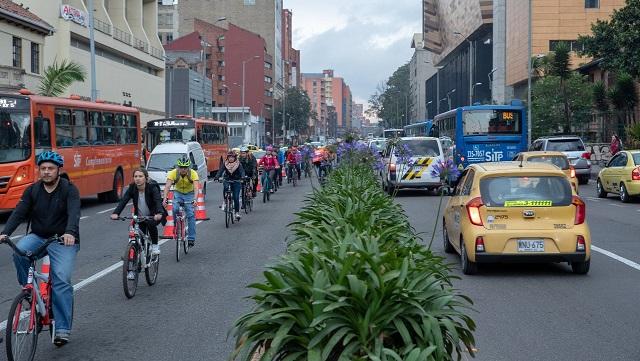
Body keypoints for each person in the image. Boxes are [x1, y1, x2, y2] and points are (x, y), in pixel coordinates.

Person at [0, 151, 80, 346]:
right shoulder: (32, 190)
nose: (46, 172)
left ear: (58, 171)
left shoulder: (69, 189)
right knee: (19, 252)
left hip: (62, 239)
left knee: (61, 278)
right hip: (38, 236)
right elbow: (19, 213)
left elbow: (74, 213)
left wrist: (69, 232)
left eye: (50, 169)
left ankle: (61, 329)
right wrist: (6, 233)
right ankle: (28, 291)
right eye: (43, 168)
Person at [111, 168, 164, 256]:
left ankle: (155, 245)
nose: (137, 178)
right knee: (139, 239)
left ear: (146, 178)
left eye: (140, 176)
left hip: (153, 215)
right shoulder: (132, 188)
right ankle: (138, 259)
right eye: (135, 176)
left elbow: (157, 201)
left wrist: (159, 213)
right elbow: (124, 201)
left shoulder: (152, 187)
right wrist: (116, 213)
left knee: (151, 225)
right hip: (139, 216)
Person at [163, 156, 199, 247]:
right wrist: (165, 199)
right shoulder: (173, 173)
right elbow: (167, 187)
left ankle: (191, 237)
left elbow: (196, 187)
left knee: (190, 214)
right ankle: (176, 225)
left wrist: (195, 199)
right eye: (181, 167)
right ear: (178, 167)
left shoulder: (193, 173)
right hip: (178, 193)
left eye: (185, 168)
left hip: (190, 194)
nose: (183, 169)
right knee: (175, 209)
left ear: (188, 167)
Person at [216, 151, 246, 220]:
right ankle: (225, 201)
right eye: (229, 157)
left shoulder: (238, 164)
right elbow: (220, 170)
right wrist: (217, 177)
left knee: (236, 197)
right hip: (227, 179)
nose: (231, 159)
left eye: (232, 157)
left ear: (235, 158)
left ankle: (237, 213)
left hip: (236, 180)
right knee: (226, 187)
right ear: (227, 158)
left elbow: (242, 171)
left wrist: (243, 177)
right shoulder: (225, 164)